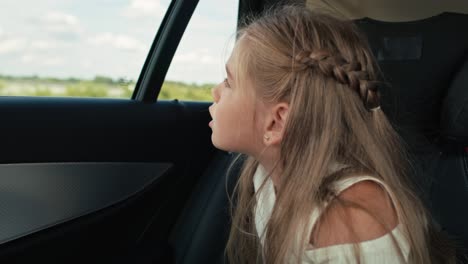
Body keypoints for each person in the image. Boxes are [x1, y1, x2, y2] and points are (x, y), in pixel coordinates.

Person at [208, 5, 456, 264]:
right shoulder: (264, 173)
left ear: (276, 122)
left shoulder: (352, 220)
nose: (215, 92)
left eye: (229, 82)